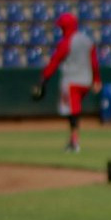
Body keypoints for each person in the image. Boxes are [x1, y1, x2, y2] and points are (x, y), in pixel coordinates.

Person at [37, 12, 98, 152]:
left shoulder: (66, 42)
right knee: (75, 110)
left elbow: (55, 61)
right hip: (86, 81)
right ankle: (73, 140)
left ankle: (74, 142)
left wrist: (44, 78)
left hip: (71, 81)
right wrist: (96, 79)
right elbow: (94, 62)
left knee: (72, 112)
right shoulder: (87, 40)